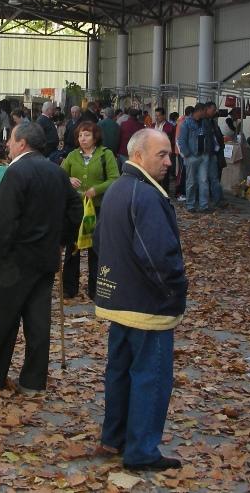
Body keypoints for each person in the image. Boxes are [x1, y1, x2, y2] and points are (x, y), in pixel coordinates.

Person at [0, 123, 81, 395]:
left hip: (13, 261)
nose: (7, 145)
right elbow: (75, 208)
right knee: (38, 322)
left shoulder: (16, 172)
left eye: (11, 140)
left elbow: (4, 219)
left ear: (22, 143)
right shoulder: (56, 171)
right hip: (44, 258)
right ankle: (33, 381)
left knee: (3, 320)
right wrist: (61, 239)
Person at [94, 128, 186, 472]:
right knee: (151, 378)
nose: (168, 161)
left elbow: (101, 241)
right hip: (147, 305)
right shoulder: (145, 195)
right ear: (138, 156)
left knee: (119, 372)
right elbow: (158, 255)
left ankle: (113, 437)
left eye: (169, 154)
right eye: (161, 154)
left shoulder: (118, 188)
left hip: (119, 299)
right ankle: (142, 451)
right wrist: (175, 291)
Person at [60, 121, 119, 300]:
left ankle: (96, 288)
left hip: (98, 208)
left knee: (96, 248)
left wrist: (96, 190)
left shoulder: (105, 154)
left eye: (87, 135)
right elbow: (59, 175)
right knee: (73, 247)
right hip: (76, 208)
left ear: (95, 137)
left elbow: (115, 178)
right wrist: (68, 179)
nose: (83, 139)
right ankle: (69, 287)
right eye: (80, 135)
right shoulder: (72, 155)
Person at [176, 104, 210, 213]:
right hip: (192, 156)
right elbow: (181, 140)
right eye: (205, 111)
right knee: (191, 181)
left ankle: (204, 205)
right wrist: (187, 154)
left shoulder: (204, 122)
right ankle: (190, 205)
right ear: (200, 111)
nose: (206, 113)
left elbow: (208, 136)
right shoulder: (186, 123)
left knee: (203, 181)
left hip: (203, 155)